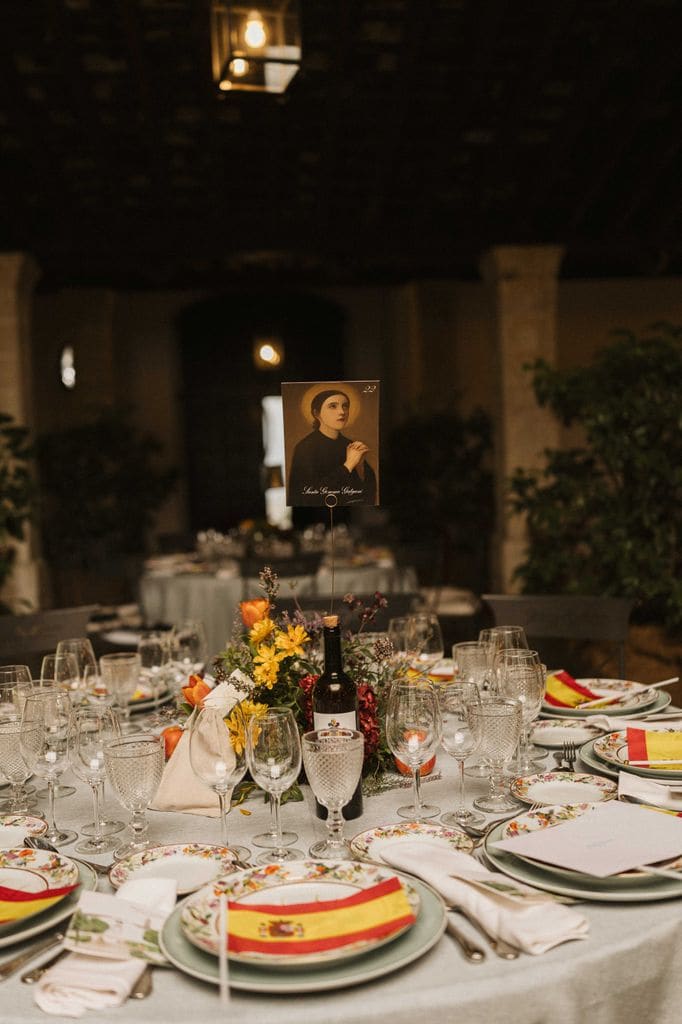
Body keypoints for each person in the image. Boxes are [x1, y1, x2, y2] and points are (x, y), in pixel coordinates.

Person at [287, 389, 377, 506]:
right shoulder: (305, 447)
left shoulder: (351, 445)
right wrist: (348, 465)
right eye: (333, 406)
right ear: (317, 413)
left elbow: (367, 492)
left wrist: (360, 467)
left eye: (345, 406)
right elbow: (307, 495)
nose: (342, 412)